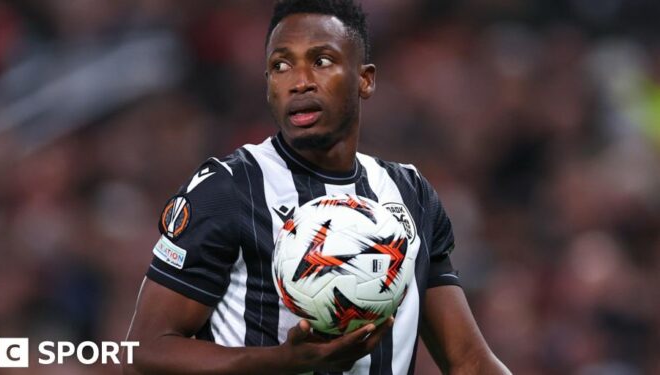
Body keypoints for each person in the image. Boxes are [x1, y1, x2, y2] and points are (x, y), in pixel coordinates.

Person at [124, 1, 511, 374]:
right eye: (281, 66)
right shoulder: (228, 189)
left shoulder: (412, 195)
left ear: (365, 79)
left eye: (321, 61)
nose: (299, 82)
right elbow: (144, 355)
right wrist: (283, 363)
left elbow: (468, 361)